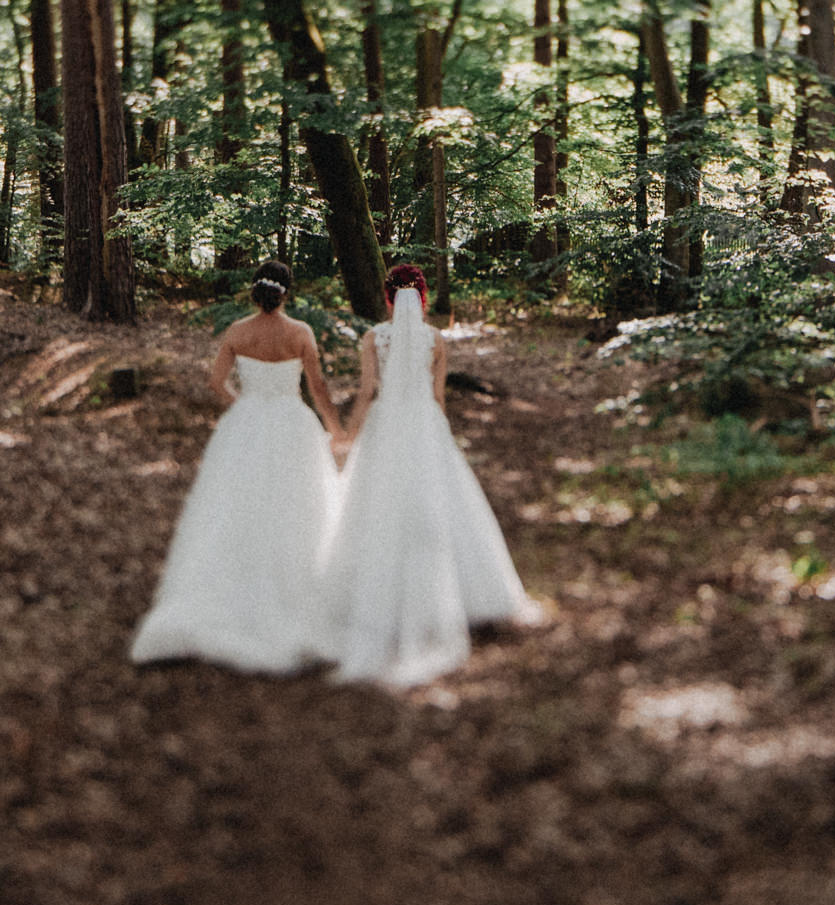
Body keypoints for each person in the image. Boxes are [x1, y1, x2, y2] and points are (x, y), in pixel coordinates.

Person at [315, 263, 539, 687]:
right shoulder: (434, 339)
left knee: (376, 507)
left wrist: (349, 433)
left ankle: (372, 600)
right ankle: (462, 598)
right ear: (421, 298)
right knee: (436, 505)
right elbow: (437, 397)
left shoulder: (373, 338)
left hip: (385, 425)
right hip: (423, 424)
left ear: (387, 298)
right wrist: (437, 435)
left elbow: (367, 392)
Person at [129, 261, 342, 674]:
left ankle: (227, 594)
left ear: (253, 291)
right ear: (286, 293)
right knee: (297, 508)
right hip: (292, 425)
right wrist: (335, 429)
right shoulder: (300, 333)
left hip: (245, 426)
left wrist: (243, 404)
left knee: (234, 507)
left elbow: (215, 383)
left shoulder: (237, 332)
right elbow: (317, 387)